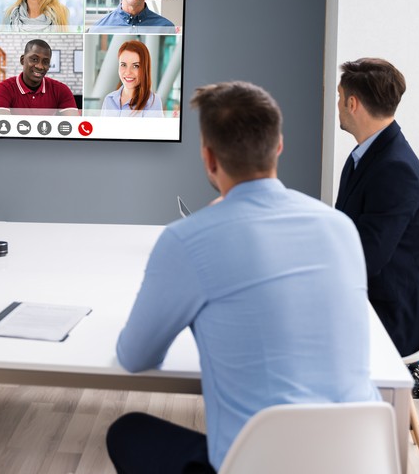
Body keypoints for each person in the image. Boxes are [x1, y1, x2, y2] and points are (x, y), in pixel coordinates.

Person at [107, 81, 380, 473]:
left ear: (208, 158)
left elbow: (135, 357)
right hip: (360, 458)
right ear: (279, 146)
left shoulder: (188, 239)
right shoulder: (340, 228)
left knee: (128, 431)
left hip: (261, 464)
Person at [335, 58, 419, 357]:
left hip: (395, 311)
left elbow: (367, 258)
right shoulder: (365, 155)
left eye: (339, 97)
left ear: (352, 103)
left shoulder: (395, 168)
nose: (337, 105)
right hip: (378, 292)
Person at [0, 39, 78, 115]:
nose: (40, 66)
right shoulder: (3, 89)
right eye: (34, 59)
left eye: (45, 62)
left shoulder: (61, 90)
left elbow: (74, 124)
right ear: (22, 60)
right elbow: (1, 125)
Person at [100, 40, 163, 117]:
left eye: (135, 66)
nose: (128, 72)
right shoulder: (109, 99)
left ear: (144, 68)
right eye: (123, 65)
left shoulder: (152, 101)